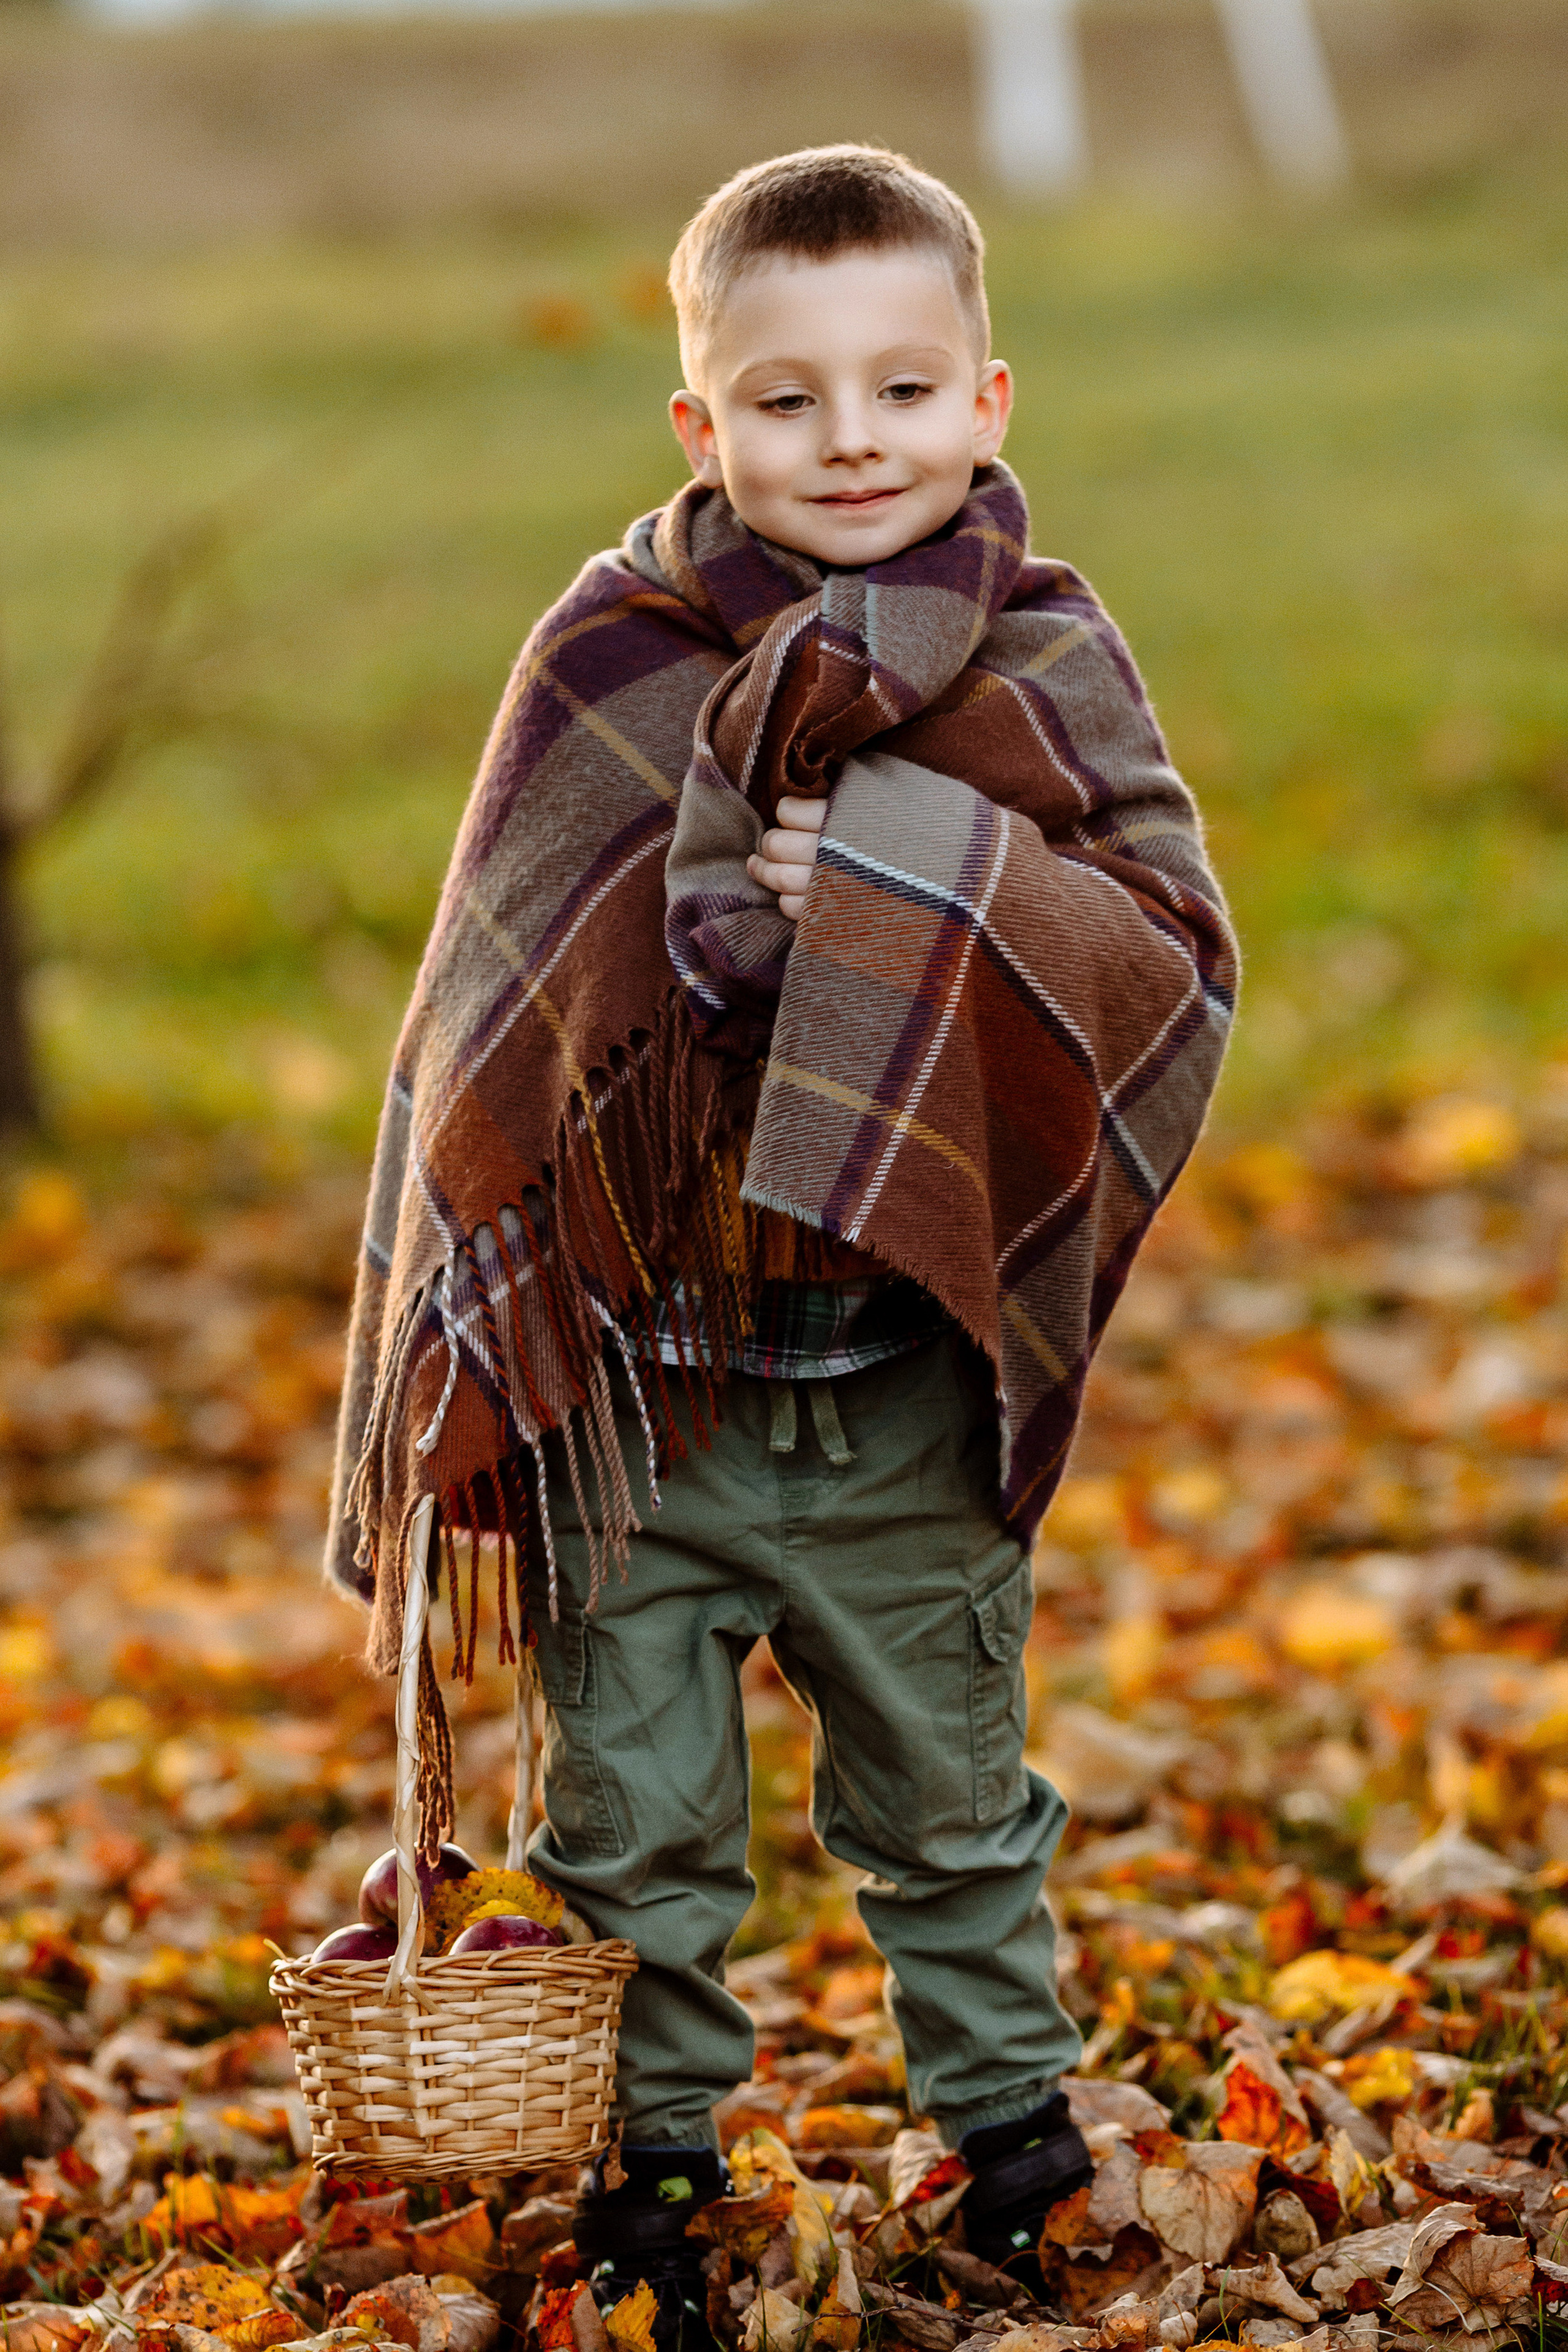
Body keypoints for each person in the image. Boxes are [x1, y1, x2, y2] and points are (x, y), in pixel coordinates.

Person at [327, 145, 1236, 2350]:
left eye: (905, 389)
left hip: (904, 1383)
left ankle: (1012, 2136)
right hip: (652, 1396)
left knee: (949, 1802)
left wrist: (909, 876)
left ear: (991, 397)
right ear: (699, 421)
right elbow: (495, 1009)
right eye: (792, 397)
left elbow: (1172, 961)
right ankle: (654, 2172)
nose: (855, 440)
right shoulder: (611, 658)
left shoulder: (1042, 657)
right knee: (629, 1825)